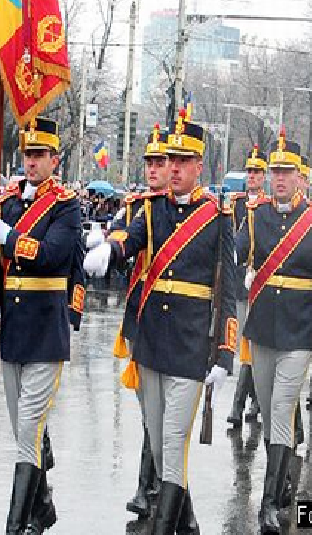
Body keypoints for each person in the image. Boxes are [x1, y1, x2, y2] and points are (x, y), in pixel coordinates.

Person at [90, 108, 236, 534]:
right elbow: (130, 242)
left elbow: (227, 291)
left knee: (174, 445)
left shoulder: (218, 217)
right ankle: (186, 526)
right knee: (157, 440)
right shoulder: (152, 211)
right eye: (168, 161)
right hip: (151, 345)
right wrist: (109, 251)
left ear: (198, 166)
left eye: (182, 162)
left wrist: (224, 353)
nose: (172, 169)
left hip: (191, 350)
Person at [0, 116, 84, 534]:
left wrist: (10, 237)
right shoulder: (10, 200)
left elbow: (54, 255)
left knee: (30, 430)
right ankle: (44, 504)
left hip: (45, 329)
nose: (31, 162)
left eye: (39, 155)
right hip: (14, 328)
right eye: (27, 154)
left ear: (55, 158)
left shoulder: (67, 205)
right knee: (23, 431)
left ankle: (13, 526)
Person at [236, 129, 312, 533]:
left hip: (299, 330)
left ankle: (267, 505)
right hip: (261, 328)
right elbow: (238, 249)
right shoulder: (255, 214)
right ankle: (280, 485)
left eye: (286, 172)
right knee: (267, 409)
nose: (279, 178)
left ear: (300, 177)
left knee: (281, 410)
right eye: (274, 171)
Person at [104, 123, 171, 520]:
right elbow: (119, 232)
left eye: (159, 163)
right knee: (148, 406)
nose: (152, 169)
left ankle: (153, 485)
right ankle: (150, 484)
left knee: (161, 409)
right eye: (148, 162)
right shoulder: (136, 206)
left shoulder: (184, 212)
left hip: (170, 314)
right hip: (140, 312)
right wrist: (107, 242)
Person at [227, 146, 267, 429]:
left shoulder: (267, 205)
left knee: (252, 343)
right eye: (249, 171)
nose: (251, 176)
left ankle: (240, 404)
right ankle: (251, 398)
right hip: (240, 281)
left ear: (263, 176)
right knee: (244, 341)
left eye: (256, 172)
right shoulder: (237, 203)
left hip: (259, 281)